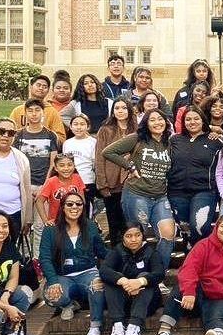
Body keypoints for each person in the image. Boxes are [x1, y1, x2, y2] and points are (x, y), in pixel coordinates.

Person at [101, 109, 174, 268]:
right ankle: (134, 271)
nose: (157, 123)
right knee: (136, 237)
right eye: (152, 120)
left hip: (160, 196)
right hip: (137, 195)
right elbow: (108, 152)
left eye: (160, 119)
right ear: (146, 124)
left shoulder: (168, 142)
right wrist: (130, 166)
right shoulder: (137, 138)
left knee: (168, 235)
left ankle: (158, 273)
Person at [40, 193, 107, 335]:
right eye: (70, 204)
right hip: (63, 276)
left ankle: (95, 326)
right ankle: (69, 304)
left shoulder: (90, 226)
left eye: (78, 204)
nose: (74, 207)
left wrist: (121, 258)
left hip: (88, 272)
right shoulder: (51, 229)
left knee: (97, 286)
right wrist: (53, 281)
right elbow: (45, 258)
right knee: (53, 297)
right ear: (63, 207)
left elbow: (102, 251)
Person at [100, 222, 166, 335]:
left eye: (137, 235)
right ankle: (118, 325)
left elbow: (159, 273)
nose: (134, 239)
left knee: (145, 276)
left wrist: (139, 282)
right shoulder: (117, 251)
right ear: (122, 237)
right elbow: (104, 270)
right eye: (129, 236)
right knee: (112, 279)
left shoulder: (151, 252)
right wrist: (124, 281)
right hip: (124, 302)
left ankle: (134, 326)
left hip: (147, 303)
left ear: (142, 236)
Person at [167, 108, 223, 244]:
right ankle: (191, 255)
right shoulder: (174, 140)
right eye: (188, 119)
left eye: (196, 118)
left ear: (203, 120)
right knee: (185, 230)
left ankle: (203, 253)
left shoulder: (215, 141)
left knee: (199, 227)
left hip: (204, 191)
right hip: (177, 192)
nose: (192, 122)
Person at [14, 98, 59, 250]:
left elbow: (53, 163)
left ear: (43, 113)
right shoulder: (18, 135)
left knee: (41, 225)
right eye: (30, 111)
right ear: (25, 114)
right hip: (24, 185)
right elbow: (15, 162)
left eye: (37, 110)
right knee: (24, 225)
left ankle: (38, 259)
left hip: (43, 185)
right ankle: (24, 256)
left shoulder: (51, 135)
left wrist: (45, 187)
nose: (34, 114)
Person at [94, 97, 136, 245]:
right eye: (117, 108)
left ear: (129, 110)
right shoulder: (105, 130)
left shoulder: (137, 130)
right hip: (112, 183)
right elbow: (99, 158)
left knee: (130, 222)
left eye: (124, 108)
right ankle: (117, 252)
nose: (120, 111)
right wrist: (102, 184)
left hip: (132, 182)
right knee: (114, 222)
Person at [10, 74, 67, 145]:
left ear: (48, 91)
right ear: (31, 87)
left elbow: (61, 138)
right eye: (38, 85)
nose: (41, 88)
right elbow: (10, 133)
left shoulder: (52, 112)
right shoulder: (17, 111)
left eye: (44, 87)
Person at [36, 153, 86, 225]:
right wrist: (46, 221)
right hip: (56, 222)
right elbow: (39, 201)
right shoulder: (51, 181)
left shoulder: (77, 178)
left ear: (74, 166)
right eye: (62, 165)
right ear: (56, 168)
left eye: (69, 165)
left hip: (75, 221)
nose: (66, 168)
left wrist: (82, 218)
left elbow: (82, 201)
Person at [63, 115, 99, 213]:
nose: (78, 127)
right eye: (75, 124)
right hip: (70, 181)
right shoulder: (67, 143)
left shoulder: (93, 142)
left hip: (87, 181)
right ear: (70, 127)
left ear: (88, 126)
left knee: (85, 209)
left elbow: (95, 164)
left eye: (82, 124)